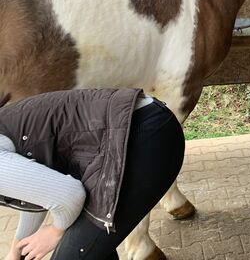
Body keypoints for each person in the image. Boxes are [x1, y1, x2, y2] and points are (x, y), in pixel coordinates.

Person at [0, 88, 185, 260]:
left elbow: (68, 195)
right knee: (91, 245)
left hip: (138, 137)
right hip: (142, 123)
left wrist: (55, 231)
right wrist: (16, 249)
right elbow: (39, 191)